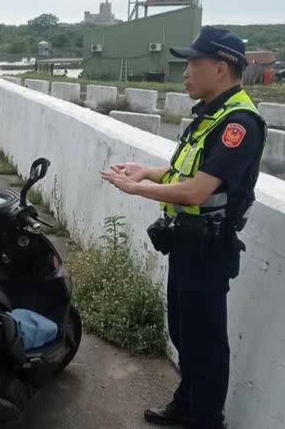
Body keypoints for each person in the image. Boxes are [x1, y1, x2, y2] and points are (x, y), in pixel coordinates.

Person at [101, 27, 267, 429]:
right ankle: (187, 403)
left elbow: (196, 191)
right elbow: (183, 171)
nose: (186, 73)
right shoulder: (209, 114)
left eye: (194, 64)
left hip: (209, 249)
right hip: (187, 243)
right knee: (183, 331)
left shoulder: (238, 123)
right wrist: (147, 171)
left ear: (221, 68)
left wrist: (137, 188)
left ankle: (207, 419)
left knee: (207, 342)